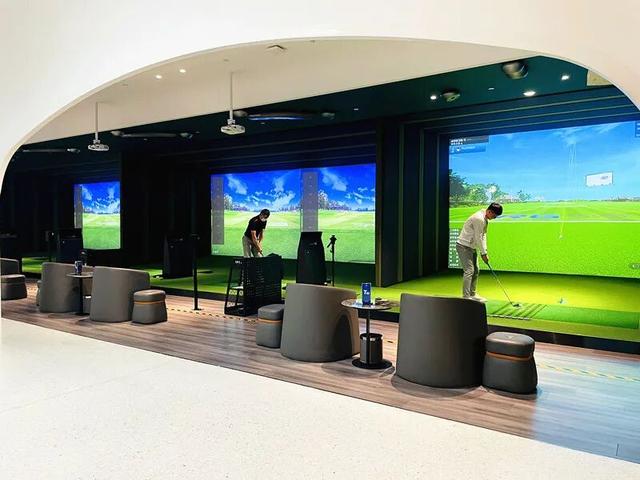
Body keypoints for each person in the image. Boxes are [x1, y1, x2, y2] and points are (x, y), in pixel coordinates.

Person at [455, 202, 503, 302]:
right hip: (463, 246)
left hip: (471, 247)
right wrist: (483, 254)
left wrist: (485, 252)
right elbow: (478, 238)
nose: (494, 218)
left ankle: (472, 294)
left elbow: (483, 236)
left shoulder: (485, 219)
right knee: (469, 271)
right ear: (489, 211)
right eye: (494, 216)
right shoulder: (479, 219)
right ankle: (466, 297)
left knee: (476, 270)